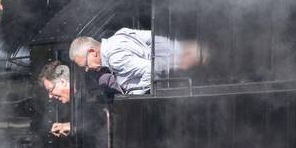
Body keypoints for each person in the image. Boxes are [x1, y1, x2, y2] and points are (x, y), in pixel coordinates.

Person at [70, 30, 200, 96]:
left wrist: (132, 96)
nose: (87, 69)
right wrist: (177, 48)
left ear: (93, 52)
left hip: (175, 77)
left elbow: (151, 69)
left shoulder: (114, 59)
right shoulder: (121, 34)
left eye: (85, 65)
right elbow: (153, 37)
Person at [38, 61, 72, 137]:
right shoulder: (74, 102)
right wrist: (68, 125)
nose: (50, 96)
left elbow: (100, 120)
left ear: (63, 82)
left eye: (50, 90)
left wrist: (72, 126)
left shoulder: (89, 94)